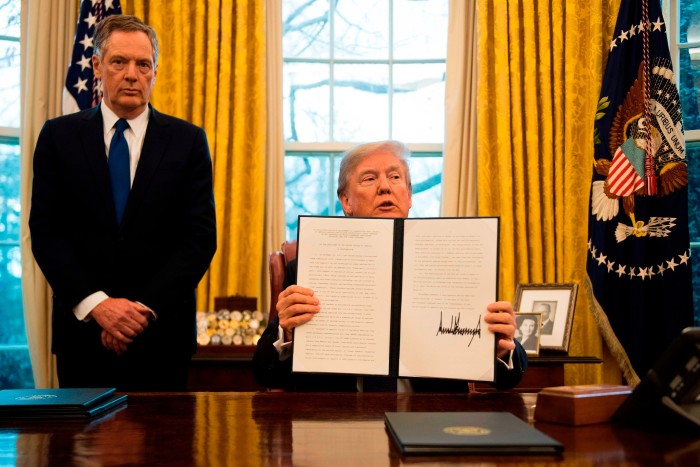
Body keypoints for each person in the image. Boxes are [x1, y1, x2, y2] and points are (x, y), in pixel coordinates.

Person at [29, 15, 217, 391]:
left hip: (161, 336)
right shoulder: (58, 137)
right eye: (119, 62)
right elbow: (47, 233)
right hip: (82, 336)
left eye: (143, 64)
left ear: (154, 71)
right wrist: (100, 307)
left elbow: (198, 239)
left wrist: (139, 312)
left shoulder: (188, 141)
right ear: (97, 66)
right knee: (79, 451)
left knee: (165, 451)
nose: (132, 74)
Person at [253, 140, 527, 392]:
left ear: (408, 197)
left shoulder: (458, 264)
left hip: (430, 420)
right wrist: (287, 332)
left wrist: (503, 348)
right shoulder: (307, 268)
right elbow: (264, 372)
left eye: (395, 177)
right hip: (336, 422)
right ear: (346, 201)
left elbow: (508, 379)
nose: (385, 186)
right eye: (369, 178)